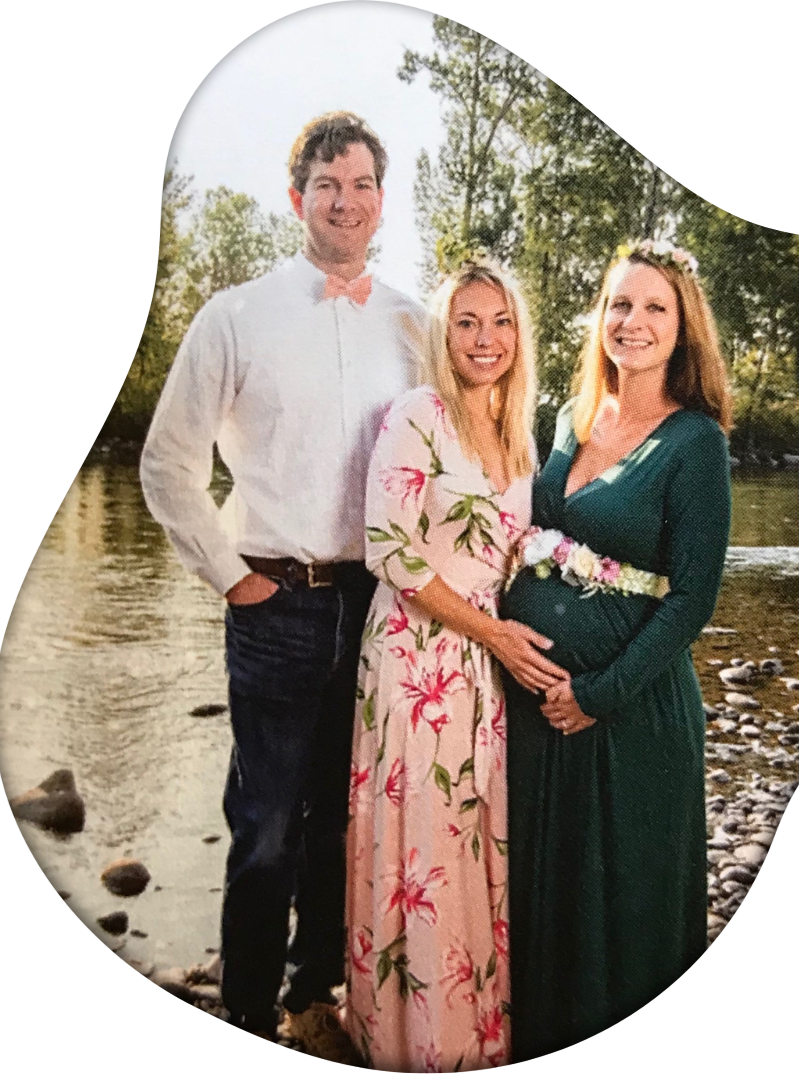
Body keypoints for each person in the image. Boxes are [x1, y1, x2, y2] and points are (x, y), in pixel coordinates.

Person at [140, 112, 428, 1040]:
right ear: (296, 195)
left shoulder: (415, 324)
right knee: (266, 826)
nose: (344, 202)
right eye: (327, 184)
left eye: (361, 185)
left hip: (381, 605)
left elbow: (452, 458)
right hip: (275, 601)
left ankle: (314, 995)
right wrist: (233, 579)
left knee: (345, 821)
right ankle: (251, 1007)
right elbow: (167, 464)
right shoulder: (236, 315)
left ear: (382, 201)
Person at [499, 240, 734, 1062]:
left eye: (654, 309)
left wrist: (597, 692)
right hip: (536, 712)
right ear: (600, 317)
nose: (633, 322)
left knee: (621, 900)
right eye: (620, 305)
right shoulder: (564, 420)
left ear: (682, 329)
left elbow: (694, 599)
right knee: (548, 894)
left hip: (625, 716)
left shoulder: (695, 444)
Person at [341, 259, 569, 1071]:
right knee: (423, 849)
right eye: (467, 322)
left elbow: (521, 556)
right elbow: (389, 549)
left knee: (473, 840)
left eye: (500, 322)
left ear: (519, 335)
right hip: (417, 662)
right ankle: (409, 1044)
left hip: (481, 668)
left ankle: (473, 1037)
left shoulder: (518, 431)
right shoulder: (417, 415)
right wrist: (495, 634)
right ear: (443, 333)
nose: (485, 339)